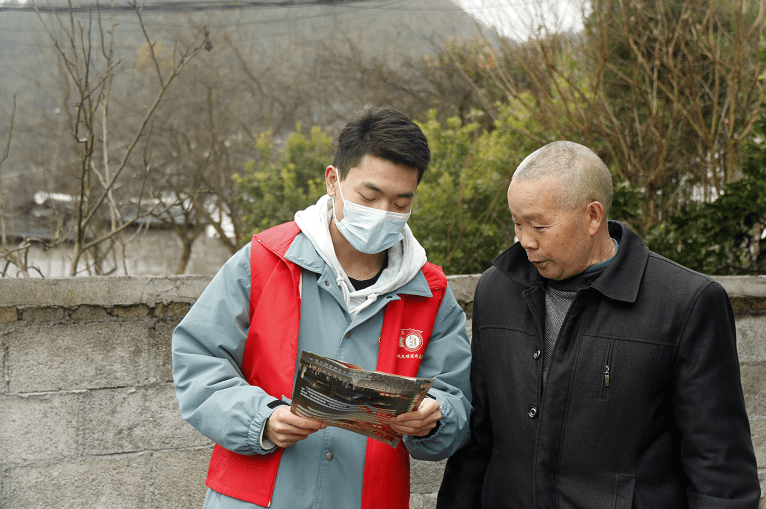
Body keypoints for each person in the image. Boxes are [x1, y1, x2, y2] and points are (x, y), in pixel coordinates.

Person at [172, 106, 472, 509]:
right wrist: (260, 418)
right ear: (333, 180)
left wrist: (434, 418)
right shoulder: (264, 260)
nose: (384, 213)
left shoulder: (431, 293)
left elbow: (456, 399)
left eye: (401, 202)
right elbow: (198, 358)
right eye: (370, 195)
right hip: (252, 498)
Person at [436, 141, 760, 508]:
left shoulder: (686, 303)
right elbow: (477, 444)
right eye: (517, 224)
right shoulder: (498, 289)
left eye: (539, 225)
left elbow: (719, 465)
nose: (525, 241)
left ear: (593, 217)